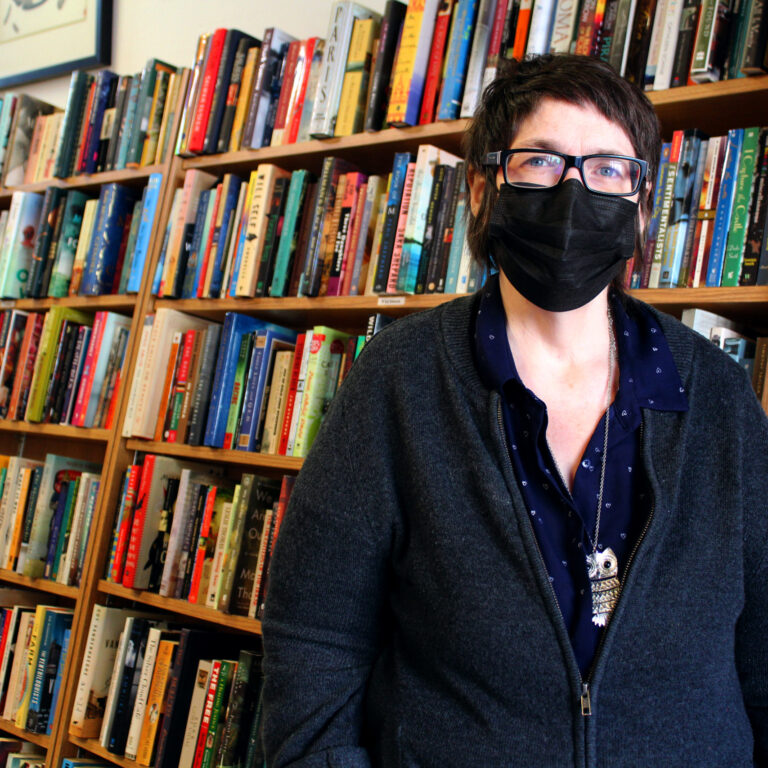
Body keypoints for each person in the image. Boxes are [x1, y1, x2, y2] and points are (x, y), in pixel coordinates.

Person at [261, 54, 768, 767]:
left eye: (608, 169)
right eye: (539, 162)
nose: (574, 192)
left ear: (642, 205)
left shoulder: (717, 396)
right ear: (480, 188)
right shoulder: (400, 382)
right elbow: (314, 639)